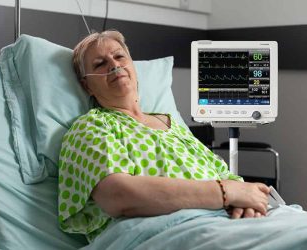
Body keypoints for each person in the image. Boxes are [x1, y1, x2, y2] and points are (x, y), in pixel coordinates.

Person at [58, 30, 270, 242]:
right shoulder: (92, 126)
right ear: (87, 86)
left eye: (119, 56)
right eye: (99, 64)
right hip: (172, 233)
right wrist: (225, 193)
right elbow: (118, 196)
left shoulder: (172, 125)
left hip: (234, 222)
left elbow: (230, 179)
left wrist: (247, 203)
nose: (114, 65)